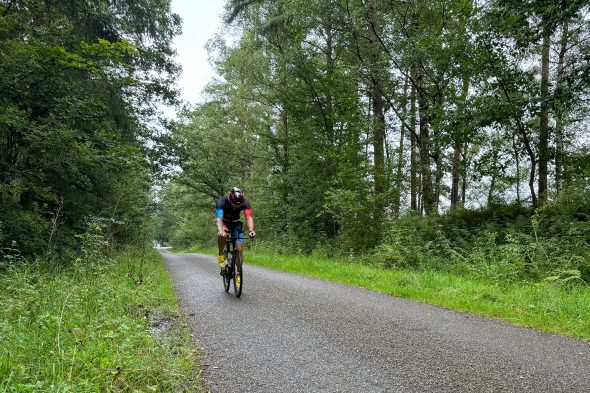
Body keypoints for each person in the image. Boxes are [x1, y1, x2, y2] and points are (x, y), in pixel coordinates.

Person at [215, 187, 256, 270]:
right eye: (234, 204)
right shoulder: (221, 202)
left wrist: (251, 230)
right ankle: (221, 254)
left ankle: (238, 272)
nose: (236, 207)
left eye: (238, 205)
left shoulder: (245, 202)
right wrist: (221, 231)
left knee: (239, 248)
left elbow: (249, 217)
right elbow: (218, 218)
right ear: (230, 199)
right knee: (223, 235)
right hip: (224, 222)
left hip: (236, 223)